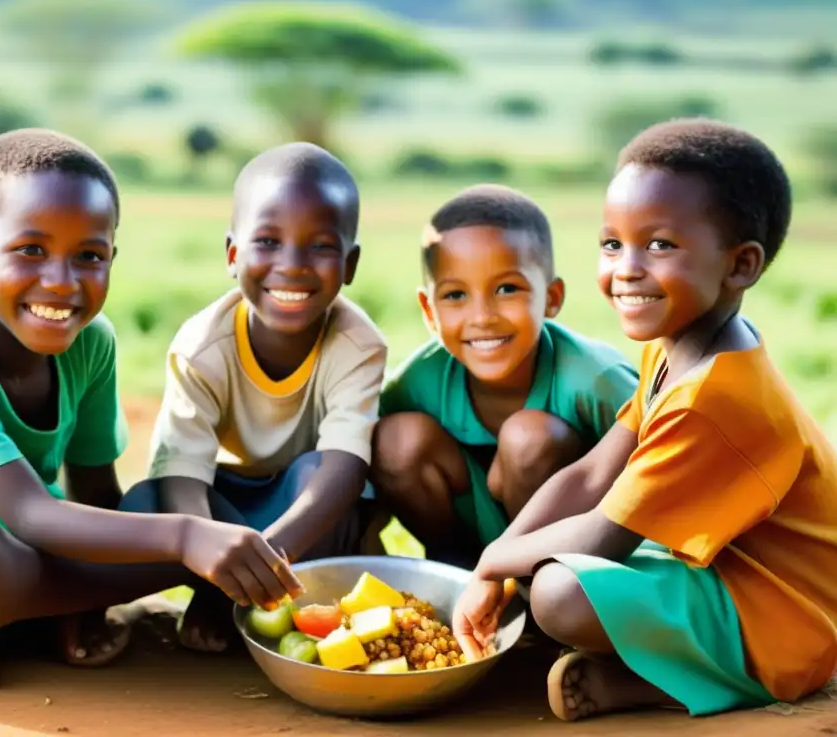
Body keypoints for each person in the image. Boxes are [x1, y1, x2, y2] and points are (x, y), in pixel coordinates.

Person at [0, 129, 300, 690]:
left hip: (30, 549)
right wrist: (188, 543)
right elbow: (28, 514)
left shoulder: (91, 342)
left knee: (158, 500)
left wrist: (125, 575)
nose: (61, 283)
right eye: (30, 251)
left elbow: (95, 490)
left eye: (89, 256)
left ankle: (45, 614)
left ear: (111, 258)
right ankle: (9, 615)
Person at [452, 118, 837, 722]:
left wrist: (492, 564)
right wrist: (501, 553)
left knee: (559, 590)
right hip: (724, 579)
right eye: (613, 244)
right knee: (538, 565)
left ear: (740, 266)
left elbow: (605, 534)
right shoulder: (679, 344)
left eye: (659, 245)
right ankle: (640, 679)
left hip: (792, 623)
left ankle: (733, 679)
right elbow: (592, 472)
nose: (626, 268)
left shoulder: (716, 397)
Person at [120, 142, 387, 653]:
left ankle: (265, 599)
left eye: (321, 246)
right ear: (232, 254)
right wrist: (218, 564)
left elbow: (345, 467)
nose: (292, 265)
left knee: (318, 477)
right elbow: (182, 472)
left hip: (305, 515)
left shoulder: (358, 343)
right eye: (268, 241)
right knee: (148, 502)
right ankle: (220, 596)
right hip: (230, 504)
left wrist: (264, 559)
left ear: (350, 264)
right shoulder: (201, 347)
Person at [369, 184, 638, 566]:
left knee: (529, 439)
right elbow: (367, 472)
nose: (482, 317)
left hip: (570, 550)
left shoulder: (597, 379)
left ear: (552, 298)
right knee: (394, 439)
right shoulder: (417, 381)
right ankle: (454, 570)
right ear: (429, 311)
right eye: (455, 295)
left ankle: (534, 588)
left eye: (507, 288)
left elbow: (667, 463)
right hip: (465, 541)